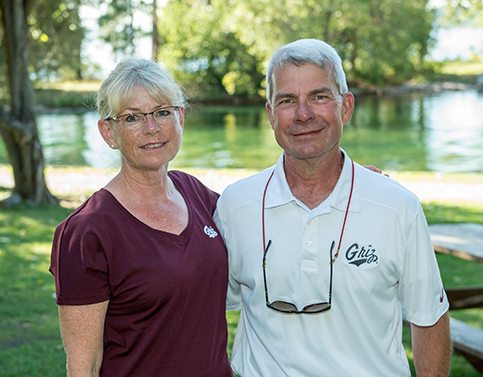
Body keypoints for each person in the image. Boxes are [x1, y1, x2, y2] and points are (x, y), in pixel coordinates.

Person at [214, 39, 451, 377]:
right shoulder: (236, 207)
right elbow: (200, 309)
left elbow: (429, 318)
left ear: (346, 107)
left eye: (319, 96)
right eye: (286, 100)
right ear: (270, 114)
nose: (303, 113)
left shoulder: (397, 207)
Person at [50, 58, 233, 377]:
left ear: (180, 117)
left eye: (163, 112)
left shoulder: (196, 193)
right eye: (132, 117)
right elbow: (84, 368)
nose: (152, 128)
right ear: (108, 132)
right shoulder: (86, 232)